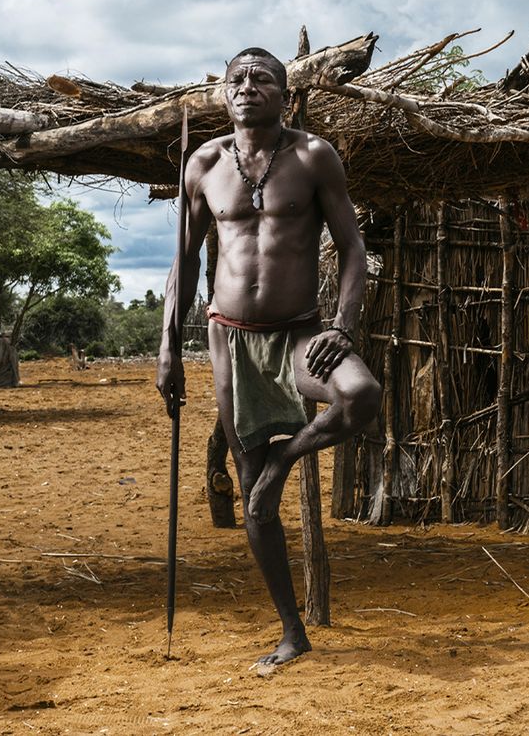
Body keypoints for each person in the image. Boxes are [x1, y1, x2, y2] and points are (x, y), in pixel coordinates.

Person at [156, 47, 382, 668]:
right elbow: (184, 261)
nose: (248, 87)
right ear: (222, 94)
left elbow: (354, 250)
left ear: (285, 94)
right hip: (231, 341)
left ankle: (287, 458)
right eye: (237, 79)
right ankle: (291, 630)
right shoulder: (202, 163)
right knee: (255, 499)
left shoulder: (313, 156)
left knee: (360, 395)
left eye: (263, 79)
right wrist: (167, 346)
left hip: (304, 333)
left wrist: (343, 323)